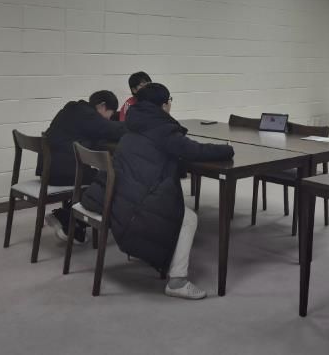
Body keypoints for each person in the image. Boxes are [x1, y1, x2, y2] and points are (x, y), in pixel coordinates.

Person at [82, 83, 234, 299]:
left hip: (120, 197)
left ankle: (153, 256)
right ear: (163, 105)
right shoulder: (162, 129)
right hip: (135, 208)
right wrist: (228, 149)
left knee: (174, 207)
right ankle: (177, 281)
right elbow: (195, 150)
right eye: (169, 100)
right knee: (189, 218)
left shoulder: (133, 123)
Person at [42, 90, 125, 243]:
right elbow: (112, 130)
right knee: (107, 181)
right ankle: (69, 219)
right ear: (102, 106)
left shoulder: (74, 109)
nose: (108, 118)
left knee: (98, 176)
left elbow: (100, 128)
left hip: (50, 168)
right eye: (110, 113)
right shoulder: (88, 115)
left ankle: (67, 215)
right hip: (62, 171)